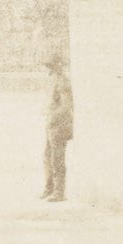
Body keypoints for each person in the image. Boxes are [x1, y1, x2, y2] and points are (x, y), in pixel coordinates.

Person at [41, 52, 74, 202]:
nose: (48, 68)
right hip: (51, 125)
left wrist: (53, 118)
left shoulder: (63, 82)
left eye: (50, 65)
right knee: (48, 157)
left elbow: (66, 107)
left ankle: (59, 192)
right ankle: (50, 188)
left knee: (57, 159)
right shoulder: (53, 80)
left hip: (59, 126)